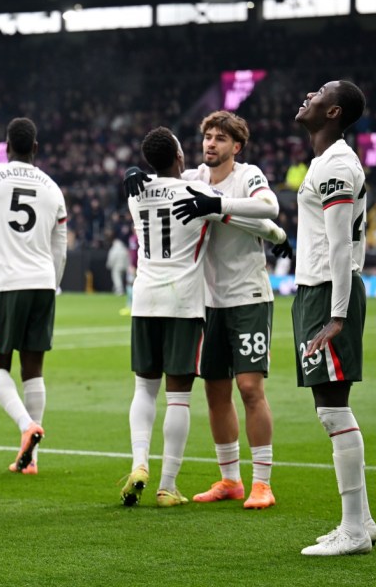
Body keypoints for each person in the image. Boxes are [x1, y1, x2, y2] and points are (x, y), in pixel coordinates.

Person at [131, 111, 291, 510]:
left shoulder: (248, 175)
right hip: (206, 301)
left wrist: (229, 210)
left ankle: (262, 482)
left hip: (248, 295)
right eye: (207, 137)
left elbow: (268, 207)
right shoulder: (195, 178)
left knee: (250, 388)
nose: (210, 144)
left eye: (220, 138)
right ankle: (230, 479)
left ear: (236, 146)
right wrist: (134, 172)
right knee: (215, 391)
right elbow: (163, 178)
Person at [292, 80, 376, 556]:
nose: (310, 94)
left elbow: (341, 244)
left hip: (328, 292)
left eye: (321, 92)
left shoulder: (337, 165)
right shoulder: (326, 161)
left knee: (332, 409)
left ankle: (353, 531)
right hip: (318, 289)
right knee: (330, 406)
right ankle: (362, 521)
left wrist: (337, 316)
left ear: (333, 112)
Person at [0, 117, 66, 474]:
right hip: (42, 282)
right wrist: (53, 283)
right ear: (35, 148)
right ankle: (32, 460)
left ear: (6, 147)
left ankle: (27, 426)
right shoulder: (53, 188)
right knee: (34, 370)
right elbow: (60, 249)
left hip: (3, 283)